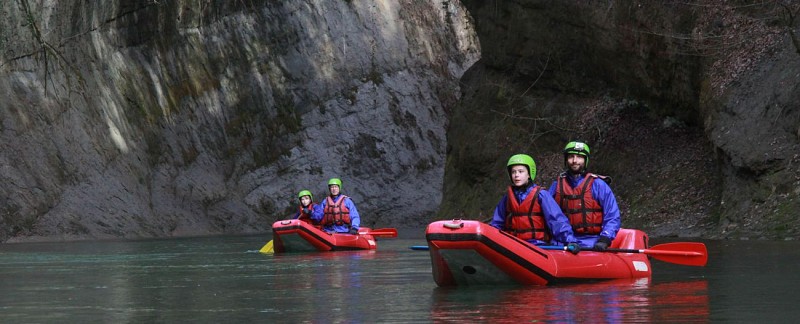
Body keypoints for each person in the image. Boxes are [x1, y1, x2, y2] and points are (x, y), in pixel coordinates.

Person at [489, 154, 580, 253]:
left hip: (537, 245)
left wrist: (570, 240)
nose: (516, 175)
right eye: (513, 172)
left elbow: (557, 220)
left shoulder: (541, 195)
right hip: (513, 245)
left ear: (529, 174)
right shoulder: (507, 199)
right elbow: (496, 224)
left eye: (520, 171)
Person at [548, 141, 621, 251]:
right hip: (563, 241)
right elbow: (548, 215)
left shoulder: (598, 185)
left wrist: (605, 238)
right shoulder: (556, 186)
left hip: (591, 240)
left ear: (585, 160)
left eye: (579, 157)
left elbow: (612, 216)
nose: (574, 161)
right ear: (566, 160)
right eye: (571, 157)